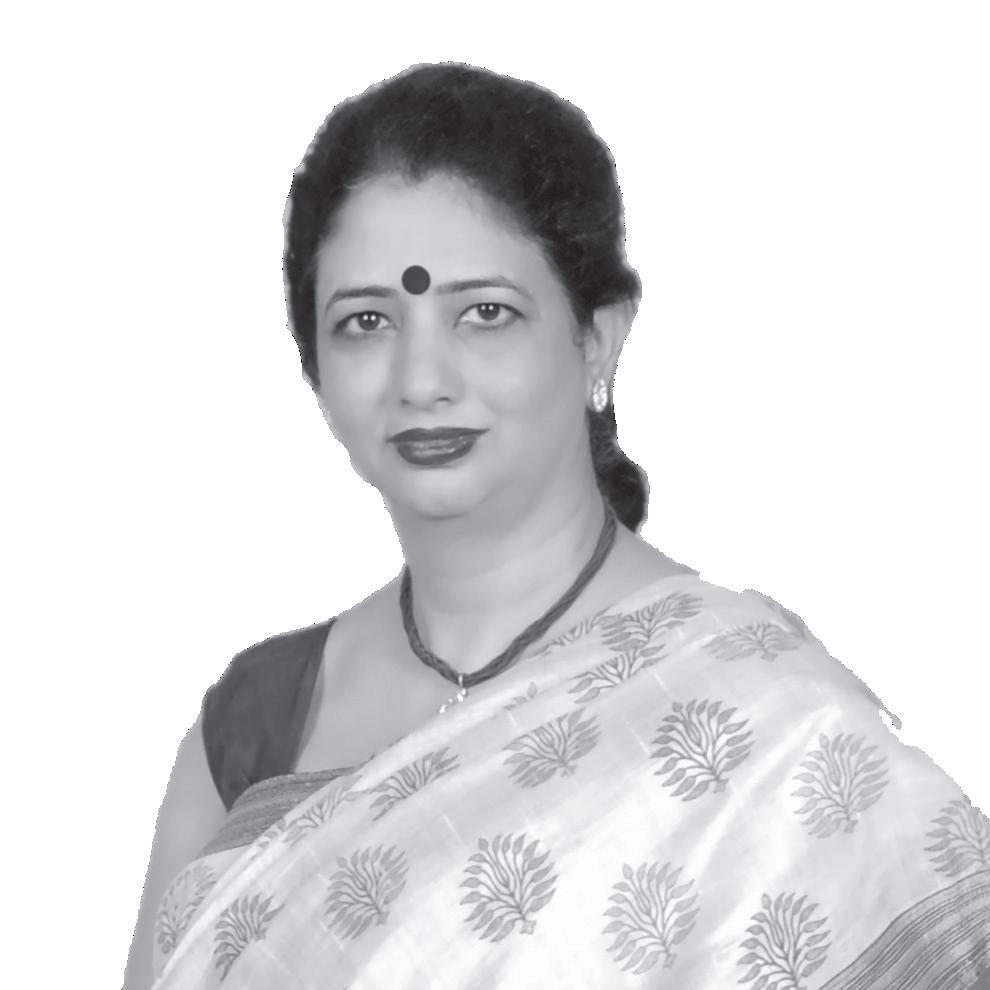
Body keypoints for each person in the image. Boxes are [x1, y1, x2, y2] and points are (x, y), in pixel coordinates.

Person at [124, 62, 990, 989]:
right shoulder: (250, 728)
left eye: (484, 313)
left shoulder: (776, 729)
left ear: (598, 339)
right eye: (367, 321)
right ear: (316, 370)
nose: (422, 379)